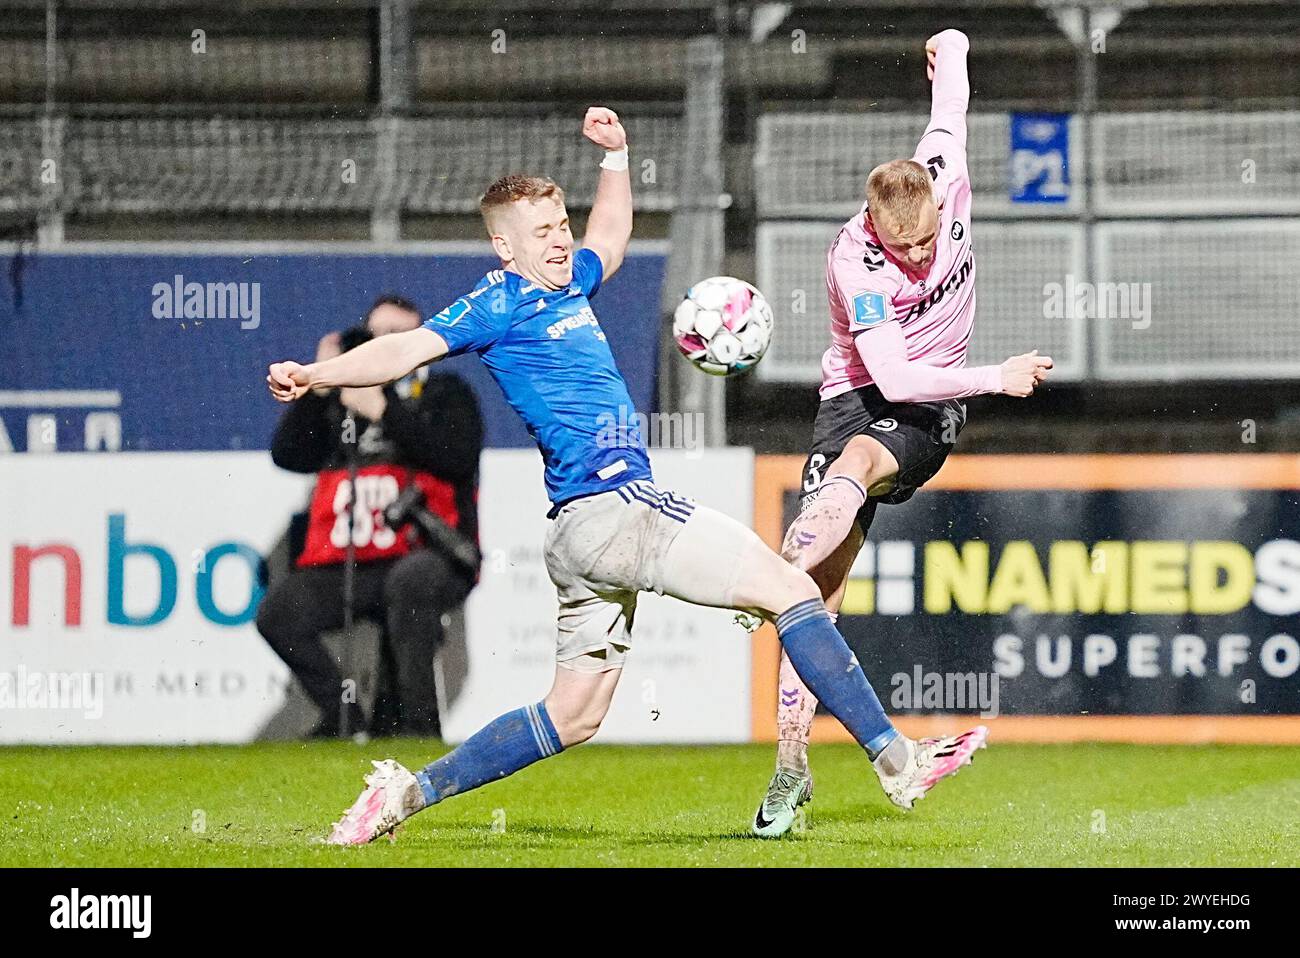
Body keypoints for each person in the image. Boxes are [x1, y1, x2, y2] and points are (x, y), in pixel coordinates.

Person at [268, 106, 977, 847]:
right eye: (542, 233)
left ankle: (407, 793)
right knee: (795, 591)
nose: (561, 239)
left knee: (571, 717)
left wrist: (616, 157)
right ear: (502, 245)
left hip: (581, 533)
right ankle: (898, 762)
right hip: (616, 506)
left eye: (559, 225)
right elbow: (404, 349)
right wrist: (319, 374)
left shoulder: (568, 280)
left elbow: (609, 235)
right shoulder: (497, 302)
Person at [750, 29, 1054, 837]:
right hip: (866, 392)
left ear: (935, 199)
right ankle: (789, 770)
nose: (918, 258)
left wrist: (951, 45)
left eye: (926, 241)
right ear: (873, 223)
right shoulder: (857, 264)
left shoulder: (943, 174)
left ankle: (773, 563)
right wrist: (1002, 373)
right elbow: (890, 379)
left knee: (854, 468)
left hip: (932, 408)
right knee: (815, 602)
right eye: (902, 245)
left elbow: (951, 100)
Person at [256, 295, 482, 738]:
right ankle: (346, 721)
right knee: (279, 613)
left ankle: (420, 734)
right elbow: (289, 455)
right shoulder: (342, 405)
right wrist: (319, 388)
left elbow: (455, 457)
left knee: (409, 584)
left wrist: (383, 409)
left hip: (430, 554)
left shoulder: (444, 392)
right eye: (377, 337)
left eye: (400, 336)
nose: (388, 345)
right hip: (353, 560)